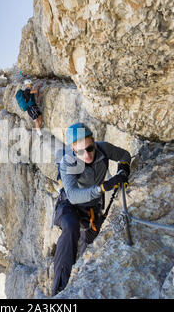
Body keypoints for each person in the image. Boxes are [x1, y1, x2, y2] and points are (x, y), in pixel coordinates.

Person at [52, 122, 131, 296]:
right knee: (71, 227)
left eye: (89, 148)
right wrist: (102, 188)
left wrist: (123, 170)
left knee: (88, 242)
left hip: (92, 208)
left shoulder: (103, 149)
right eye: (80, 151)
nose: (87, 154)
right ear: (73, 148)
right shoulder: (68, 163)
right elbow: (72, 195)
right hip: (69, 206)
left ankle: (79, 274)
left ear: (94, 142)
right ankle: (59, 289)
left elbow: (125, 155)